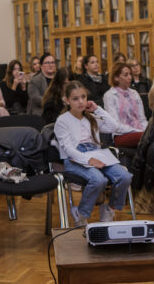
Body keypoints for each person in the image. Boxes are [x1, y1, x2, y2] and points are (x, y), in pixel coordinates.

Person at [55, 80, 132, 226]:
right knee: (99, 180)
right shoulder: (62, 121)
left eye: (83, 97)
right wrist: (88, 159)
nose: (81, 102)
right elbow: (68, 149)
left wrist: (97, 109)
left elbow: (113, 126)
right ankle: (81, 212)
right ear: (67, 100)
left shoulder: (91, 118)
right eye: (75, 99)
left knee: (124, 176)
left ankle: (109, 208)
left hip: (97, 152)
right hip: (74, 157)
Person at [103, 62, 146, 147]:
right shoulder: (109, 95)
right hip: (121, 134)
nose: (130, 77)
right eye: (126, 75)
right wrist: (136, 131)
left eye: (130, 74)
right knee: (147, 138)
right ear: (116, 78)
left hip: (139, 131)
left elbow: (142, 119)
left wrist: (146, 130)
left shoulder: (134, 93)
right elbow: (115, 125)